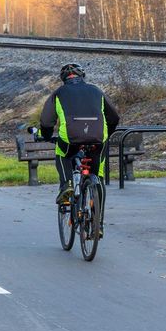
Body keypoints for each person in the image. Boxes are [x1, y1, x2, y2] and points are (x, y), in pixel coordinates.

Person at [38, 63, 120, 228]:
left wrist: (46, 136)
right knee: (99, 177)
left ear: (63, 79)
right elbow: (114, 117)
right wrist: (106, 134)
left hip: (70, 139)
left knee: (62, 154)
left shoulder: (58, 93)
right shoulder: (97, 91)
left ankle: (67, 184)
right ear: (82, 76)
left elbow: (46, 121)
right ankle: (99, 224)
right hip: (98, 139)